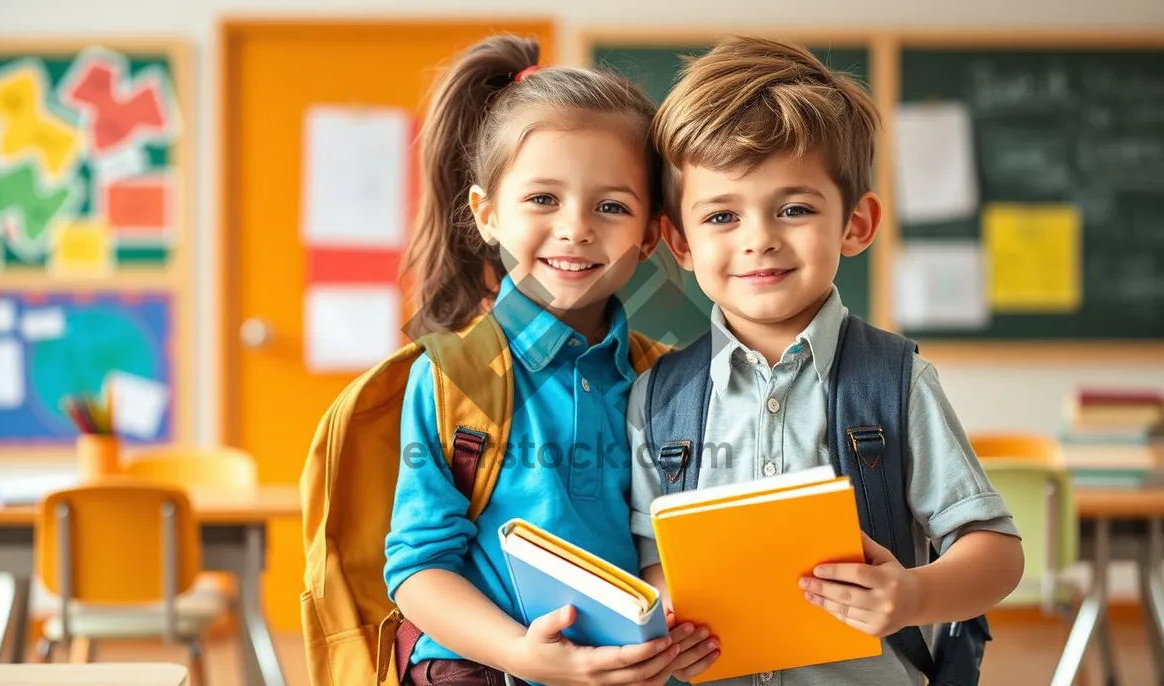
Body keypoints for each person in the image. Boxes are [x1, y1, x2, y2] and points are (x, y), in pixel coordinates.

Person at [629, 35, 1025, 685]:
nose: (759, 238)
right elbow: (650, 557)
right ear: (680, 242)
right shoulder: (658, 397)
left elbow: (997, 552)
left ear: (856, 225)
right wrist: (663, 598)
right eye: (722, 215)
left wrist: (915, 595)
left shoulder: (896, 383)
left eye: (793, 208)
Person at [384, 35, 720, 686]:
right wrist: (520, 654)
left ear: (651, 231)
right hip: (478, 668)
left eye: (612, 206)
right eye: (543, 199)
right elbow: (418, 571)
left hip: (632, 671)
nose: (576, 228)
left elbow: (679, 549)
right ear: (486, 214)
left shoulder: (673, 380)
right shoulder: (455, 374)